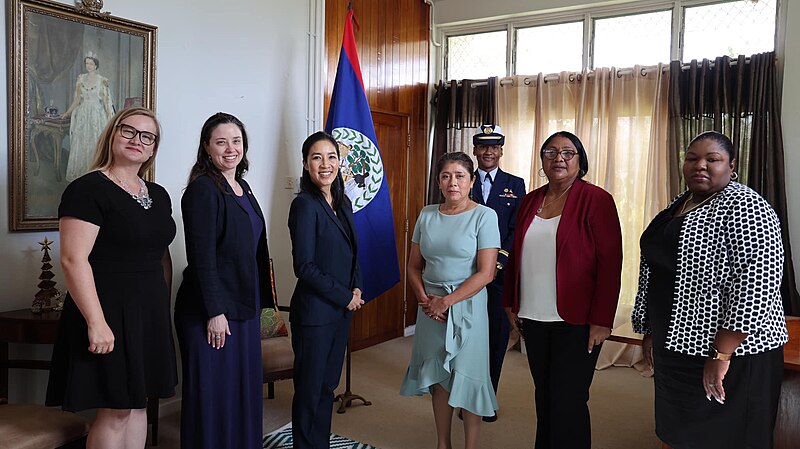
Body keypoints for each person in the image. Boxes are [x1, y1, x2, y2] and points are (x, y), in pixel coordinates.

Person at [632, 131, 788, 449]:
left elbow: (756, 286)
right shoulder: (681, 204)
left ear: (732, 167)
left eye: (712, 159)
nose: (700, 165)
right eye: (692, 158)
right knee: (683, 432)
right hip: (676, 344)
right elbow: (659, 270)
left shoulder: (747, 207)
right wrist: (650, 329)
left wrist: (721, 354)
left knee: (727, 435)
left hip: (732, 352)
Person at [46, 107, 176, 449]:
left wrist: (161, 310)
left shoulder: (158, 195)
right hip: (107, 311)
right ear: (112, 135)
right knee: (116, 410)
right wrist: (96, 321)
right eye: (128, 131)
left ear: (153, 148)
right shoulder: (87, 190)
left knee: (138, 406)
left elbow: (160, 255)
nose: (137, 140)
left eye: (147, 136)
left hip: (147, 313)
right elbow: (73, 260)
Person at [504, 131, 623, 449]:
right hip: (533, 315)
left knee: (568, 400)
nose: (559, 158)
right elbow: (516, 254)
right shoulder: (530, 199)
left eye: (568, 152)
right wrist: (510, 303)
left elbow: (610, 264)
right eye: (551, 152)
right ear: (542, 159)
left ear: (580, 160)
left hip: (578, 320)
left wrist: (602, 319)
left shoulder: (597, 200)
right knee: (543, 396)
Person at [174, 112, 273, 449]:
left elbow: (252, 251)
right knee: (214, 395)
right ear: (206, 147)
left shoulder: (241, 187)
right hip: (211, 310)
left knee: (240, 391)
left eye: (236, 141)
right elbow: (202, 258)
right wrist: (214, 312)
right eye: (221, 142)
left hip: (243, 305)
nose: (230, 148)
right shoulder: (203, 189)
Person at [401, 151, 500, 449]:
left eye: (459, 176)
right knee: (438, 376)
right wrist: (424, 299)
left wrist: (447, 302)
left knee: (468, 377)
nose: (452, 182)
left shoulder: (485, 216)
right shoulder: (427, 214)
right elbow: (413, 265)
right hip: (430, 309)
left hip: (466, 308)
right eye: (446, 176)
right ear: (439, 181)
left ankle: (470, 445)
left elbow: (486, 274)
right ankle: (443, 443)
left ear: (471, 181)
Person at [288, 131, 364, 449]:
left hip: (340, 312)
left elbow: (352, 252)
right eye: (317, 157)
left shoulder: (342, 201)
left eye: (331, 157)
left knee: (327, 386)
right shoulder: (304, 205)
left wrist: (357, 287)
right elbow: (304, 268)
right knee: (310, 388)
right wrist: (345, 296)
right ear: (306, 165)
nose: (325, 164)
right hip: (315, 314)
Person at [470, 124, 525, 422]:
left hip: (498, 275)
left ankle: (487, 399)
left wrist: (497, 261)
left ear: (501, 150)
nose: (489, 151)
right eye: (483, 146)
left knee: (494, 338)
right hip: (464, 273)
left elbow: (518, 228)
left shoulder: (514, 184)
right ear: (475, 150)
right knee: (467, 337)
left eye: (495, 147)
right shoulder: (462, 179)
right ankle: (466, 396)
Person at [61, 53, 114, 182]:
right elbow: (77, 99)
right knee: (81, 143)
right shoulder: (80, 79)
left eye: (91, 63)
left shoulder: (103, 81)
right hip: (83, 116)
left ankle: (95, 175)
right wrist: (67, 113)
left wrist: (111, 120)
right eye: (86, 63)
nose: (88, 66)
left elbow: (107, 103)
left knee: (95, 144)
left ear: (96, 65)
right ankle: (81, 175)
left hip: (97, 116)